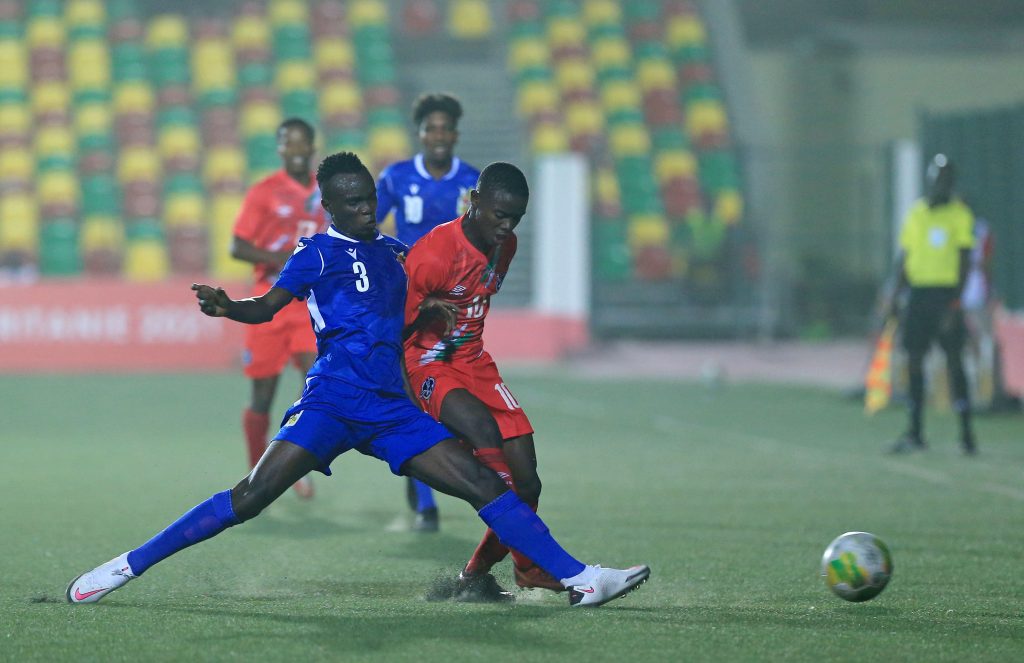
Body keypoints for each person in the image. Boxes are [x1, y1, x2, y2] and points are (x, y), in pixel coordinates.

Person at [65, 152, 651, 609]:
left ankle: (580, 578)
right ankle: (126, 566)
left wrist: (430, 316)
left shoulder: (396, 252)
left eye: (369, 199)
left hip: (391, 410)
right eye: (352, 202)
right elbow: (269, 308)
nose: (366, 209)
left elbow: (410, 311)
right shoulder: (315, 255)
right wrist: (227, 306)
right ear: (331, 206)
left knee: (483, 481)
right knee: (250, 497)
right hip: (331, 402)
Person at [402, 162, 563, 601]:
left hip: (476, 365)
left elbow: (478, 299)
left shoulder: (504, 246)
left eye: (515, 218)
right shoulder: (434, 252)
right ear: (475, 202)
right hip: (428, 366)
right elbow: (391, 331)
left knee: (528, 482)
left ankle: (473, 579)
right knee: (485, 438)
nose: (506, 226)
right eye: (499, 215)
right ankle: (530, 564)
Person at [376, 92, 480, 530]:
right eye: (430, 128)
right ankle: (427, 505)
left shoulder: (472, 182)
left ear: (455, 133)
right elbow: (367, 227)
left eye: (445, 128)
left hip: (456, 310)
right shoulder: (397, 177)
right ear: (419, 134)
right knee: (412, 398)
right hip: (410, 303)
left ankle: (427, 477)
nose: (438, 135)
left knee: (453, 400)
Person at [230, 117, 327, 499]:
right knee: (263, 398)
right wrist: (280, 257)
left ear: (312, 147)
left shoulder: (325, 192)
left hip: (305, 305)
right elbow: (238, 246)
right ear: (280, 148)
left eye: (303, 143)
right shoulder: (264, 192)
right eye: (289, 143)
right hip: (266, 305)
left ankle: (294, 467)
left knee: (314, 386)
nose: (297, 150)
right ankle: (258, 474)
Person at [888, 154, 977, 455]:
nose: (941, 185)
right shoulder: (916, 214)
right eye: (937, 179)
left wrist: (955, 303)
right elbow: (905, 258)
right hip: (918, 295)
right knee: (914, 359)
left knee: (954, 361)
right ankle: (915, 431)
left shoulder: (960, 216)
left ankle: (966, 433)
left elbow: (965, 261)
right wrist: (894, 295)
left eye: (946, 180)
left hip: (945, 295)